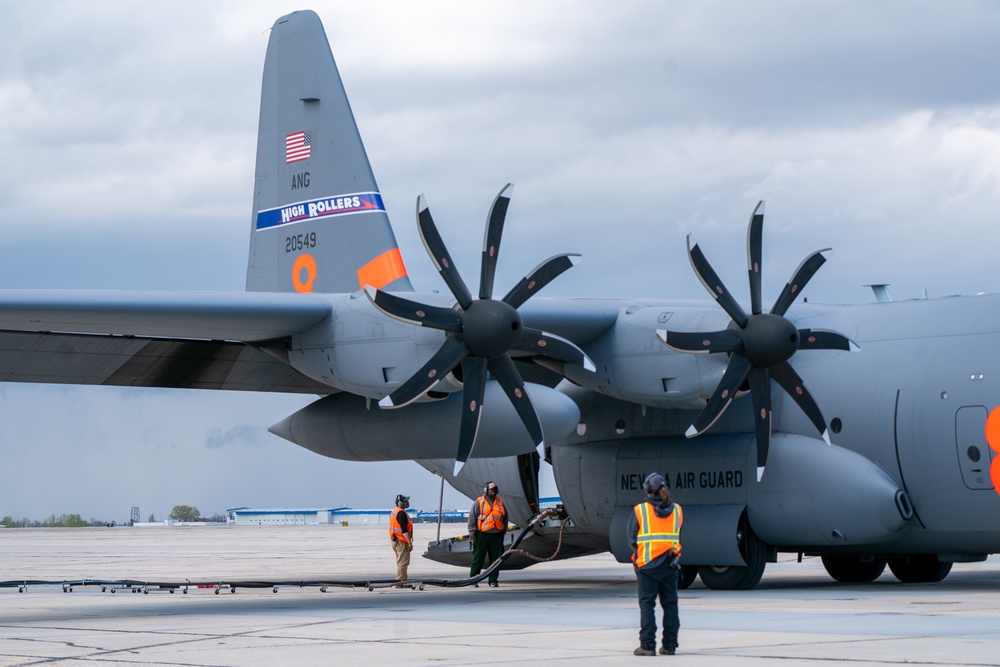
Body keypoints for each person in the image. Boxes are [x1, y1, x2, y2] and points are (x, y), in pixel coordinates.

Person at [628, 472, 683, 656]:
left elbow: (631, 538)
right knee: (670, 605)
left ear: (647, 490)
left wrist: (639, 557)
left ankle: (647, 645)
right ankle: (670, 645)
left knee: (647, 605)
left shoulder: (640, 510)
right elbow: (678, 533)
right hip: (670, 563)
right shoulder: (677, 510)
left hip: (647, 565)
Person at [468, 481, 507, 587]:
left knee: (496, 559)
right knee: (478, 557)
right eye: (492, 490)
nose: (494, 492)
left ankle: (493, 580)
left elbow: (505, 517)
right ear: (486, 490)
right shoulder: (479, 502)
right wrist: (471, 531)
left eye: (495, 490)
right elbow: (472, 516)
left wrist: (504, 531)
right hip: (482, 535)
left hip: (497, 535)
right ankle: (473, 579)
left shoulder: (499, 502)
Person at [389, 493, 413, 581]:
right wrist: (409, 542)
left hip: (395, 540)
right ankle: (401, 581)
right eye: (406, 501)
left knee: (400, 562)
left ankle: (402, 580)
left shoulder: (395, 511)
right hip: (401, 541)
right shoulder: (401, 513)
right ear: (401, 503)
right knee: (403, 562)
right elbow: (404, 530)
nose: (408, 503)